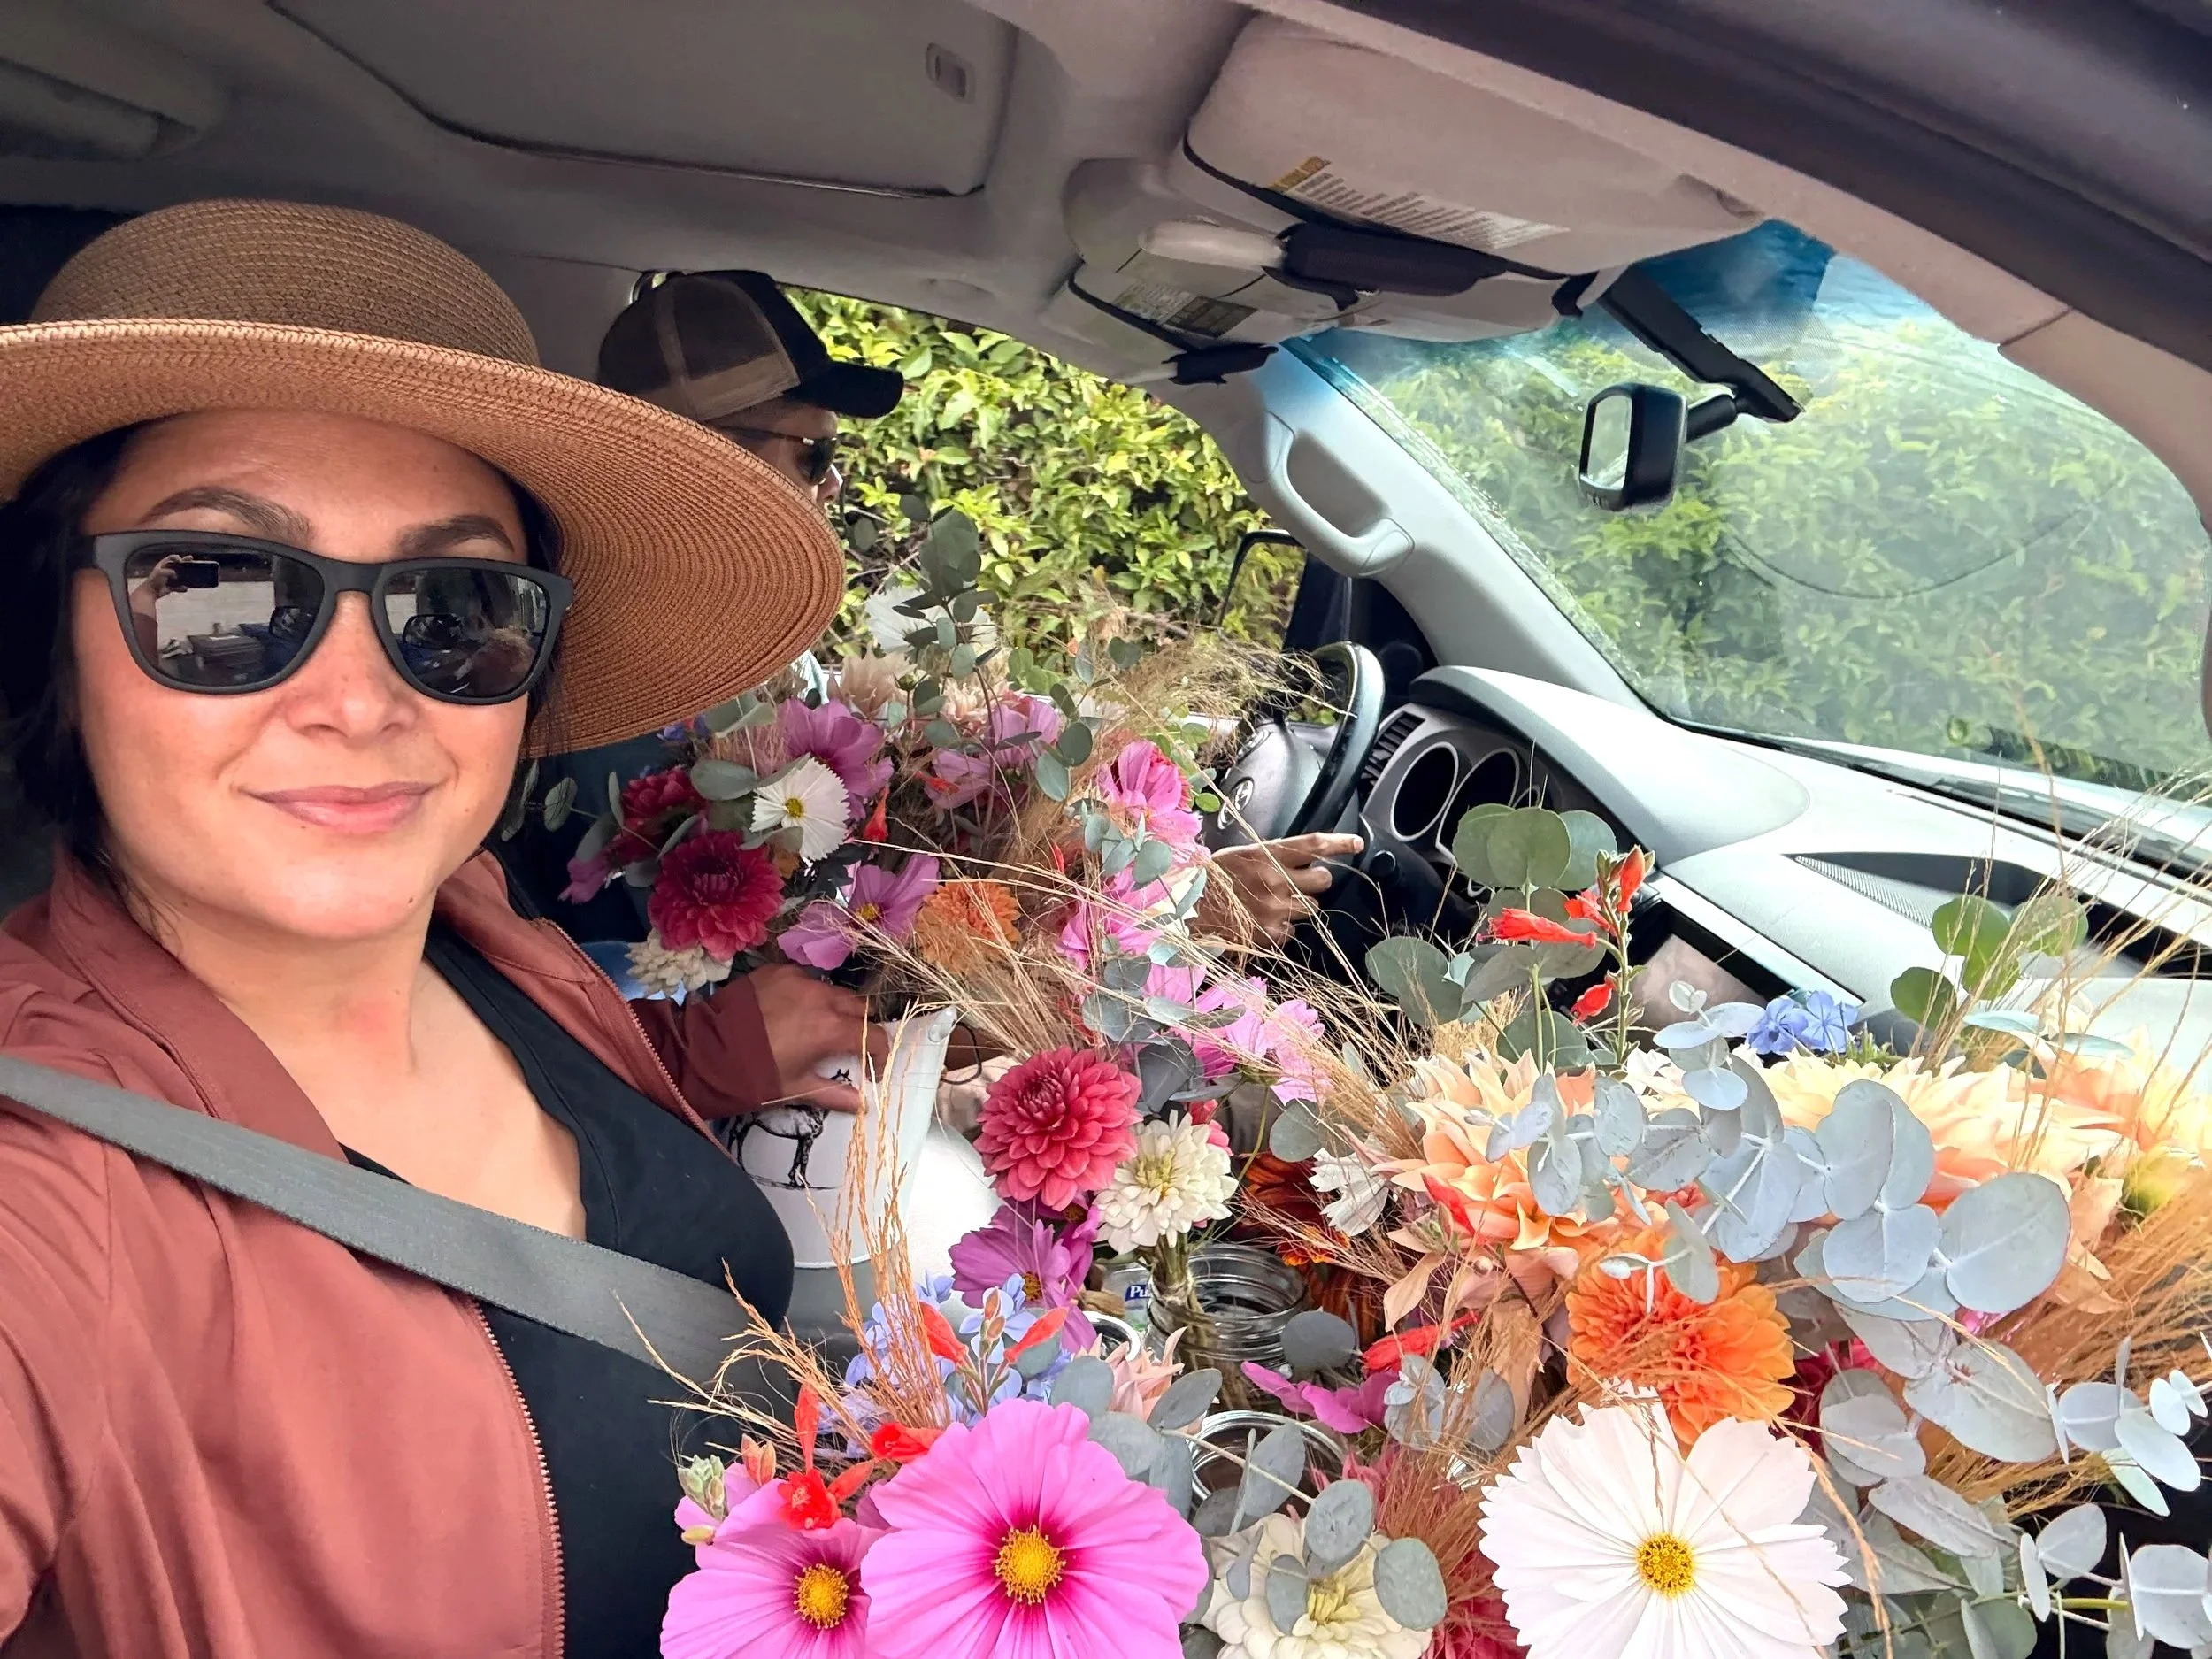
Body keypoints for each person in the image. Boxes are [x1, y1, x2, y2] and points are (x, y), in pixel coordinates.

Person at [0, 199, 843, 1656]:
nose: (360, 698)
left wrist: (714, 1059)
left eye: (454, 607)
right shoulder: (58, 1187)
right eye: (219, 589)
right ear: (53, 637)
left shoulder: (476, 922)